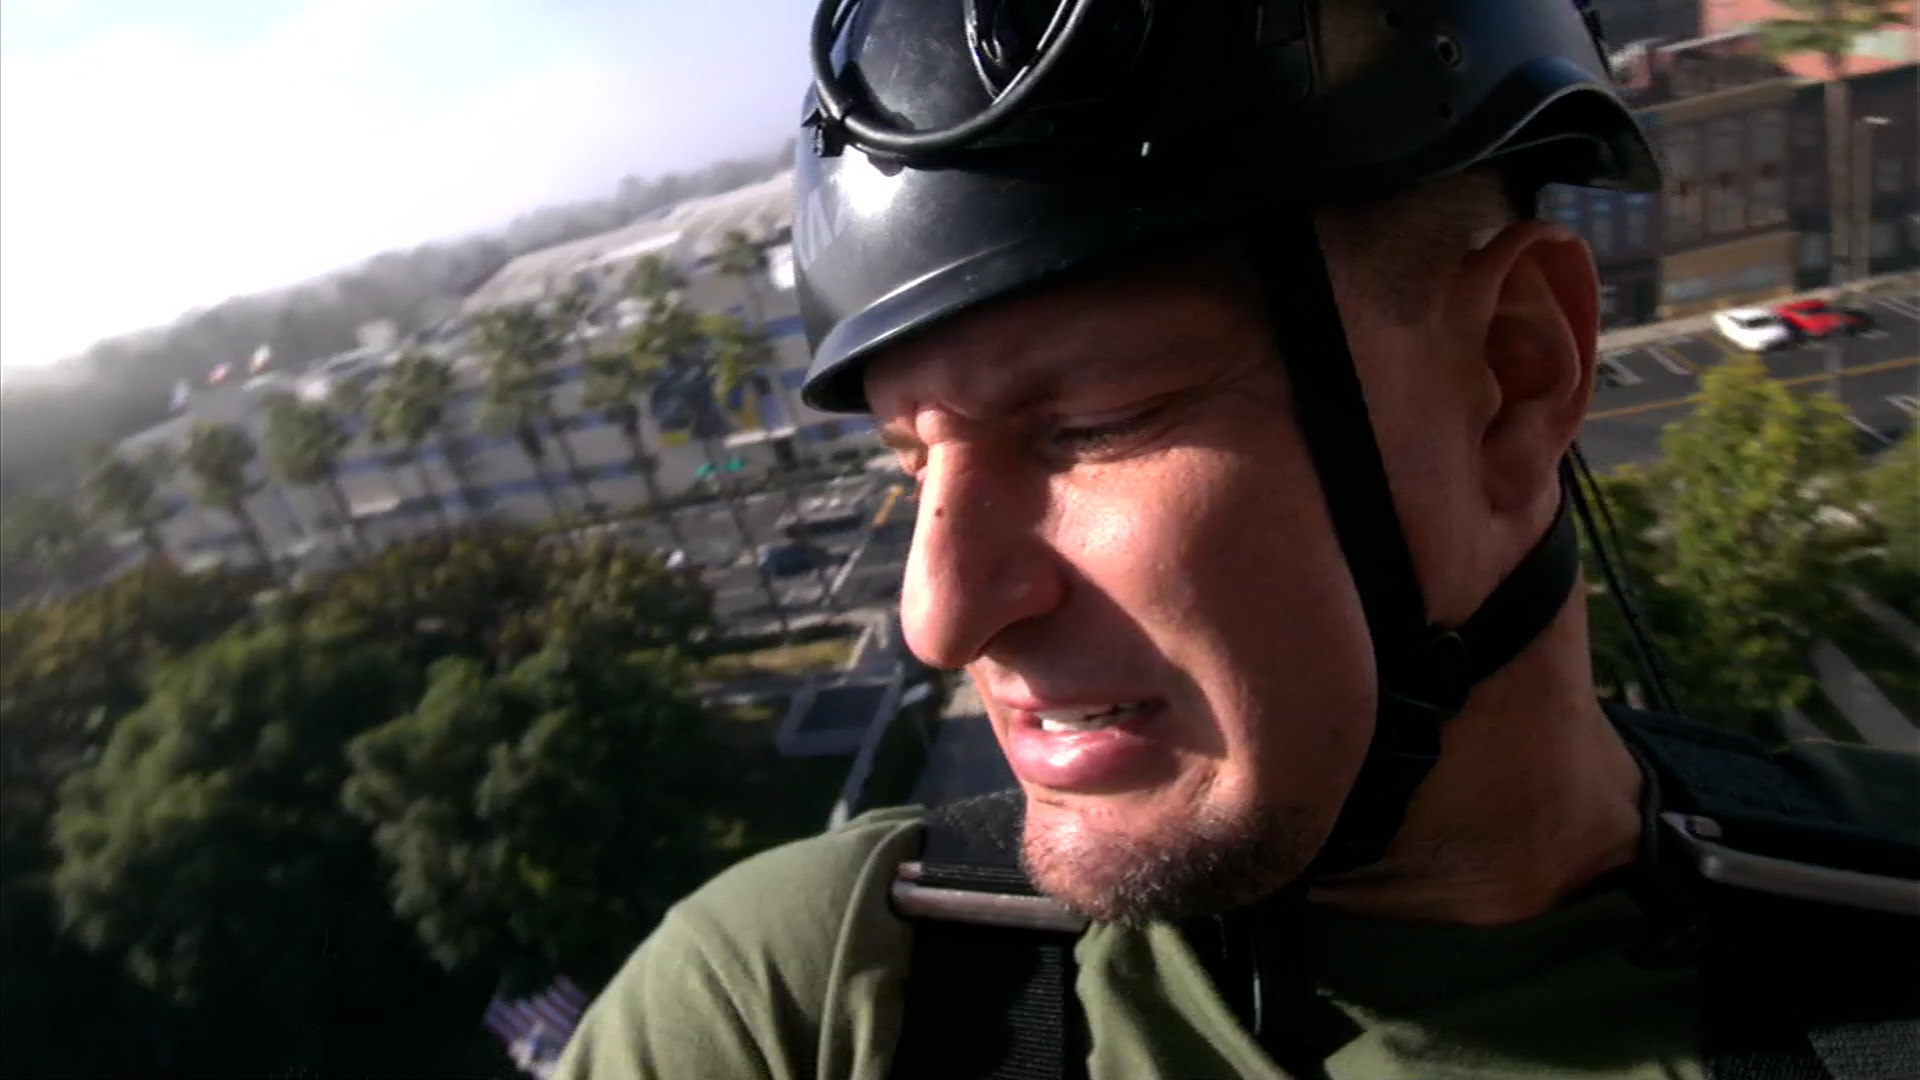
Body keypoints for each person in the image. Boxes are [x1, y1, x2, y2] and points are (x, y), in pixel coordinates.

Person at [559, 1, 1920, 1077]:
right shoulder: (814, 1004)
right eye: (914, 462)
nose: (939, 614)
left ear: (1510, 375)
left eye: (1090, 424)